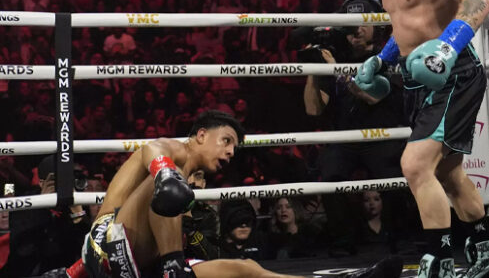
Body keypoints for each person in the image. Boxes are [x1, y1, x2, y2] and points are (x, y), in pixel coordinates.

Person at [350, 0, 489, 278]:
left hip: (453, 73)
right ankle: (487, 251)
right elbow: (407, 26)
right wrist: (381, 59)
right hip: (418, 81)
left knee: (415, 165)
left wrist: (446, 47)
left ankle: (439, 260)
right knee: (448, 172)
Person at [76, 109, 400, 278]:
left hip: (140, 264)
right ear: (201, 135)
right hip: (108, 245)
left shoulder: (185, 173)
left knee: (248, 269)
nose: (231, 152)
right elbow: (153, 148)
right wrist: (164, 173)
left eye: (235, 147)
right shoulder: (175, 151)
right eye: (226, 141)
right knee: (170, 185)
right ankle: (173, 267)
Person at [303, 0, 407, 257]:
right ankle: (342, 241)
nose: (357, 29)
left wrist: (336, 70)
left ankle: (402, 237)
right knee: (329, 176)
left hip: (383, 134)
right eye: (351, 24)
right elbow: (313, 109)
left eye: (362, 22)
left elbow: (371, 95)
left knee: (395, 176)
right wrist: (314, 71)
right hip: (345, 138)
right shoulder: (332, 57)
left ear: (375, 25)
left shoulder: (389, 54)